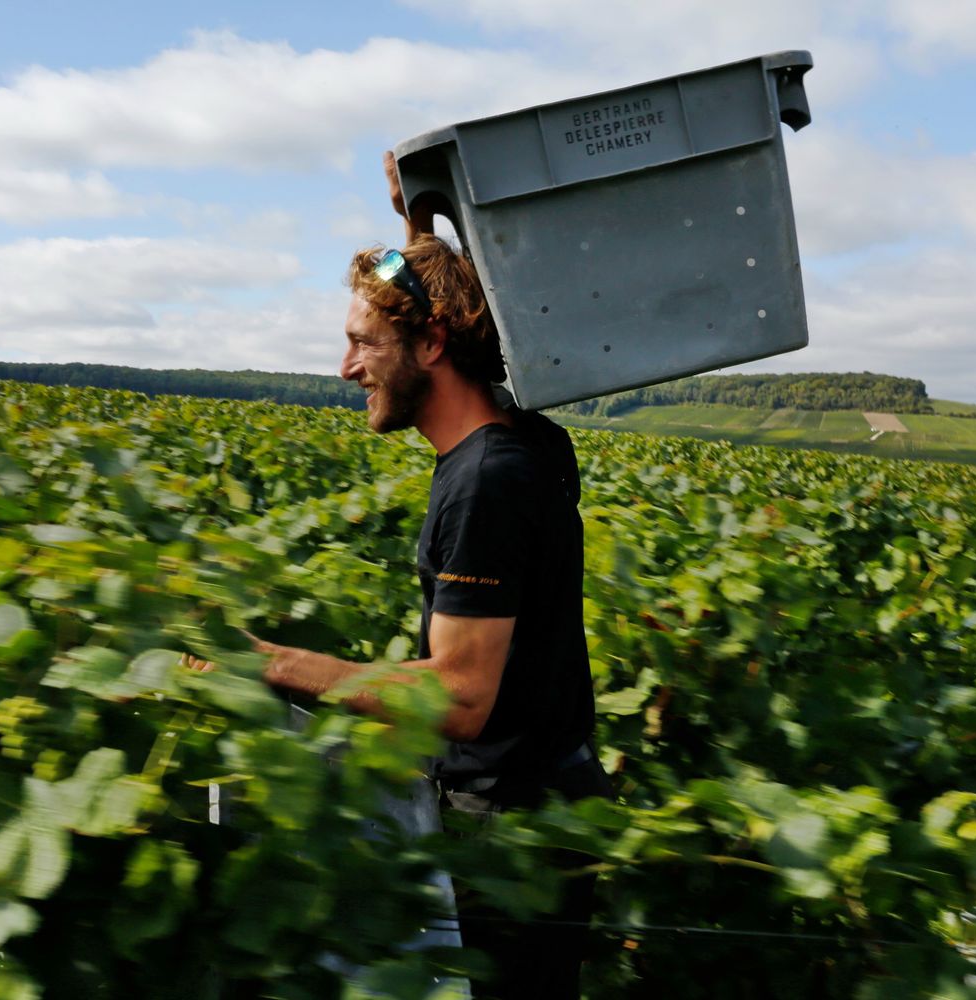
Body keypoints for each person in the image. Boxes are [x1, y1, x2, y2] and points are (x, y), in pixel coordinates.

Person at [236, 153, 612, 998]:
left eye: (361, 344)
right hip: (554, 799)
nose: (346, 368)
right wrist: (418, 230)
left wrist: (274, 663)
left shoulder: (485, 485)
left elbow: (461, 698)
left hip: (512, 831)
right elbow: (444, 314)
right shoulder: (527, 441)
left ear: (433, 344)